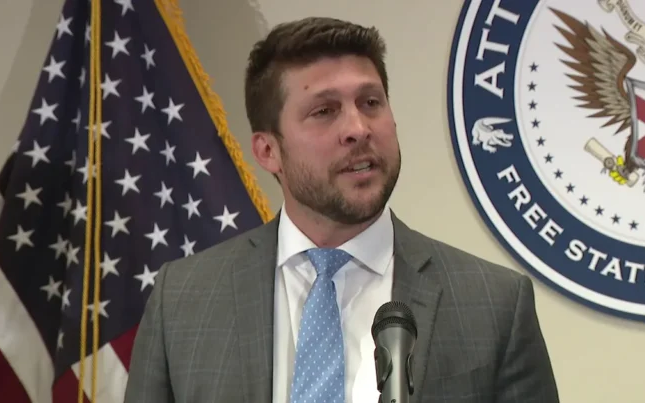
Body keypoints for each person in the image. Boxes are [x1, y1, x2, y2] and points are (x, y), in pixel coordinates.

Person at [124, 16, 559, 403]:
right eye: (324, 111)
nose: (357, 129)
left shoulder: (494, 303)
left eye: (371, 102)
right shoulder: (182, 299)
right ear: (268, 151)